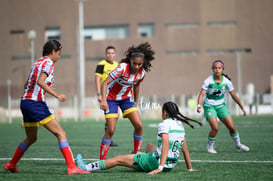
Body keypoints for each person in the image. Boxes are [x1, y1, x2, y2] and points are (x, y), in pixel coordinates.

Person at [3, 40, 90, 175]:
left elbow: (29, 83)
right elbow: (40, 82)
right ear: (53, 52)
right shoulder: (48, 62)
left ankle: (11, 163)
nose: (59, 57)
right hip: (35, 104)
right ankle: (71, 167)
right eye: (59, 54)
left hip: (25, 102)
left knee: (31, 138)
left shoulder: (37, 62)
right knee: (61, 133)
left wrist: (45, 88)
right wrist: (57, 95)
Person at [76, 101, 202, 174]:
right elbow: (184, 149)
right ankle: (139, 156)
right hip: (171, 164)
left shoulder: (164, 124)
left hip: (156, 163)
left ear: (165, 113)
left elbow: (165, 146)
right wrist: (189, 168)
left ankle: (85, 167)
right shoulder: (180, 125)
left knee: (118, 159)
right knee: (149, 146)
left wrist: (160, 167)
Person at [99, 42, 155, 159]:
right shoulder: (121, 68)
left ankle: (136, 154)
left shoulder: (142, 72)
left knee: (139, 125)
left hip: (126, 99)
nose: (136, 67)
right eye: (134, 63)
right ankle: (102, 159)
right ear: (130, 60)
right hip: (111, 99)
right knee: (110, 130)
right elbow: (104, 83)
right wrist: (103, 101)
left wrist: (135, 101)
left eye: (139, 64)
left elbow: (137, 85)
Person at [196, 60, 250, 154]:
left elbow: (234, 95)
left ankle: (238, 144)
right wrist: (199, 105)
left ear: (223, 69)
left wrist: (242, 107)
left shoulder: (227, 82)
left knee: (232, 127)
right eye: (215, 68)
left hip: (221, 106)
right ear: (212, 69)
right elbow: (201, 94)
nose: (217, 70)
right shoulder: (208, 81)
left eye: (219, 68)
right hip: (209, 106)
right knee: (215, 127)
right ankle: (209, 147)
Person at [95, 45, 119, 146]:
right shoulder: (101, 64)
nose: (110, 55)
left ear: (115, 54)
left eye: (112, 53)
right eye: (108, 53)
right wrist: (99, 93)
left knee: (116, 116)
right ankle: (108, 138)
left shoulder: (118, 64)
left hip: (116, 94)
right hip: (106, 95)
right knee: (110, 117)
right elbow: (97, 79)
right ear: (106, 54)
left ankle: (108, 136)